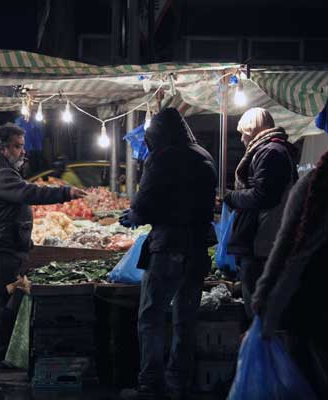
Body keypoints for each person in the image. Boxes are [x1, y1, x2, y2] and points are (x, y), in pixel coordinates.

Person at [119, 108, 217, 400]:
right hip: (198, 247)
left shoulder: (162, 158)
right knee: (185, 319)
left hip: (169, 246)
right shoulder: (205, 156)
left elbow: (145, 203)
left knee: (151, 316)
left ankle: (150, 384)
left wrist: (133, 215)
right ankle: (179, 384)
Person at [0, 123, 86, 368]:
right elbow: (28, 193)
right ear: (2, 148)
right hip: (1, 244)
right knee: (2, 301)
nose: (23, 151)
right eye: (17, 146)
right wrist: (65, 192)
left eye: (22, 146)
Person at [251, 148, 328, 398]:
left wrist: (264, 297)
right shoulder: (312, 183)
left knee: (308, 374)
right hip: (311, 302)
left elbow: (286, 246)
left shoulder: (314, 183)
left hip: (310, 298)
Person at [223, 108, 297, 320]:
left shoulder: (270, 152)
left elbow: (264, 196)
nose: (242, 138)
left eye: (243, 132)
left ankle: (263, 351)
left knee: (259, 311)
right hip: (265, 240)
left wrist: (231, 197)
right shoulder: (272, 150)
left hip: (263, 241)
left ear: (252, 129)